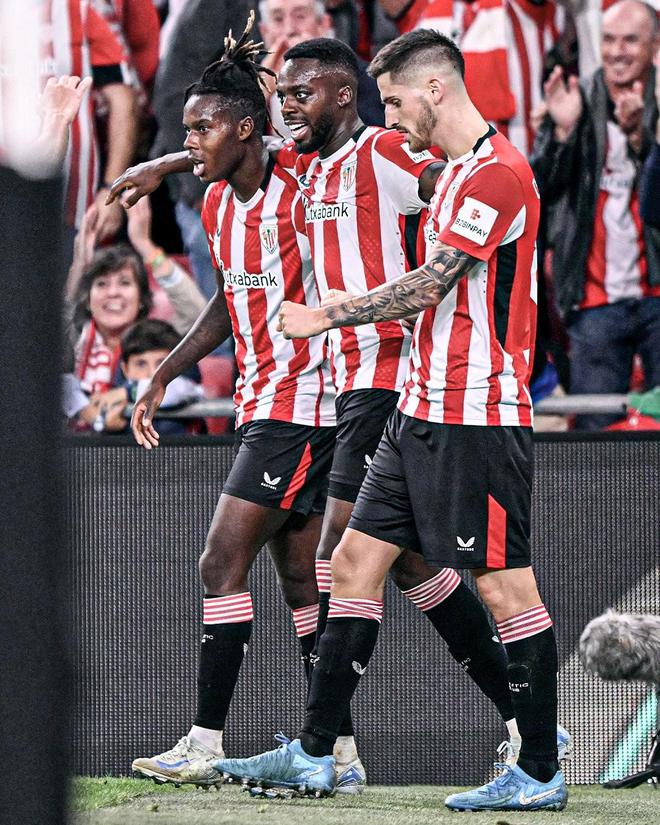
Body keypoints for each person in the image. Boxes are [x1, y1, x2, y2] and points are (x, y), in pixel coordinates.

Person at [108, 34, 570, 790]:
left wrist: (330, 314)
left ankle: (376, 747)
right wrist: (161, 166)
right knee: (379, 565)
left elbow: (447, 222)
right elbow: (240, 149)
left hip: (402, 382)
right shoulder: (304, 165)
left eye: (301, 95)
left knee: (353, 562)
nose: (287, 109)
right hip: (381, 387)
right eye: (283, 97)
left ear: (350, 96)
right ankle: (335, 750)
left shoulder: (395, 155)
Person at [127, 20, 353, 790]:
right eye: (185, 131)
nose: (190, 142)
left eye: (202, 128)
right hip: (261, 402)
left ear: (247, 129)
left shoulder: (303, 185)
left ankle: (203, 742)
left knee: (219, 561)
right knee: (302, 581)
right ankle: (339, 753)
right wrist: (164, 373)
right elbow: (228, 303)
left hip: (306, 402)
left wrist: (159, 161)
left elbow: (318, 147)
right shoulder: (219, 204)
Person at [531, 0, 660, 430]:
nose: (617, 51)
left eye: (630, 40)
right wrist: (562, 133)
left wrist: (642, 139)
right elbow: (540, 188)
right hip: (593, 300)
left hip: (657, 294)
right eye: (608, 39)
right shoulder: (576, 98)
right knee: (595, 438)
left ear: (655, 45)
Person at [64, 201, 206, 430]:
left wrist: (146, 246)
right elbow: (54, 326)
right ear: (88, 300)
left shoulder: (160, 337)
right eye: (101, 284)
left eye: (124, 283)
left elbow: (198, 316)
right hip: (76, 448)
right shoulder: (74, 342)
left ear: (141, 298)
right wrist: (80, 264)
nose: (113, 293)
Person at [257, 0, 385, 135]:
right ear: (264, 31)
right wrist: (259, 96)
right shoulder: (249, 79)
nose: (290, 30)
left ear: (324, 24)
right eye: (278, 19)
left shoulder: (365, 79)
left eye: (300, 16)